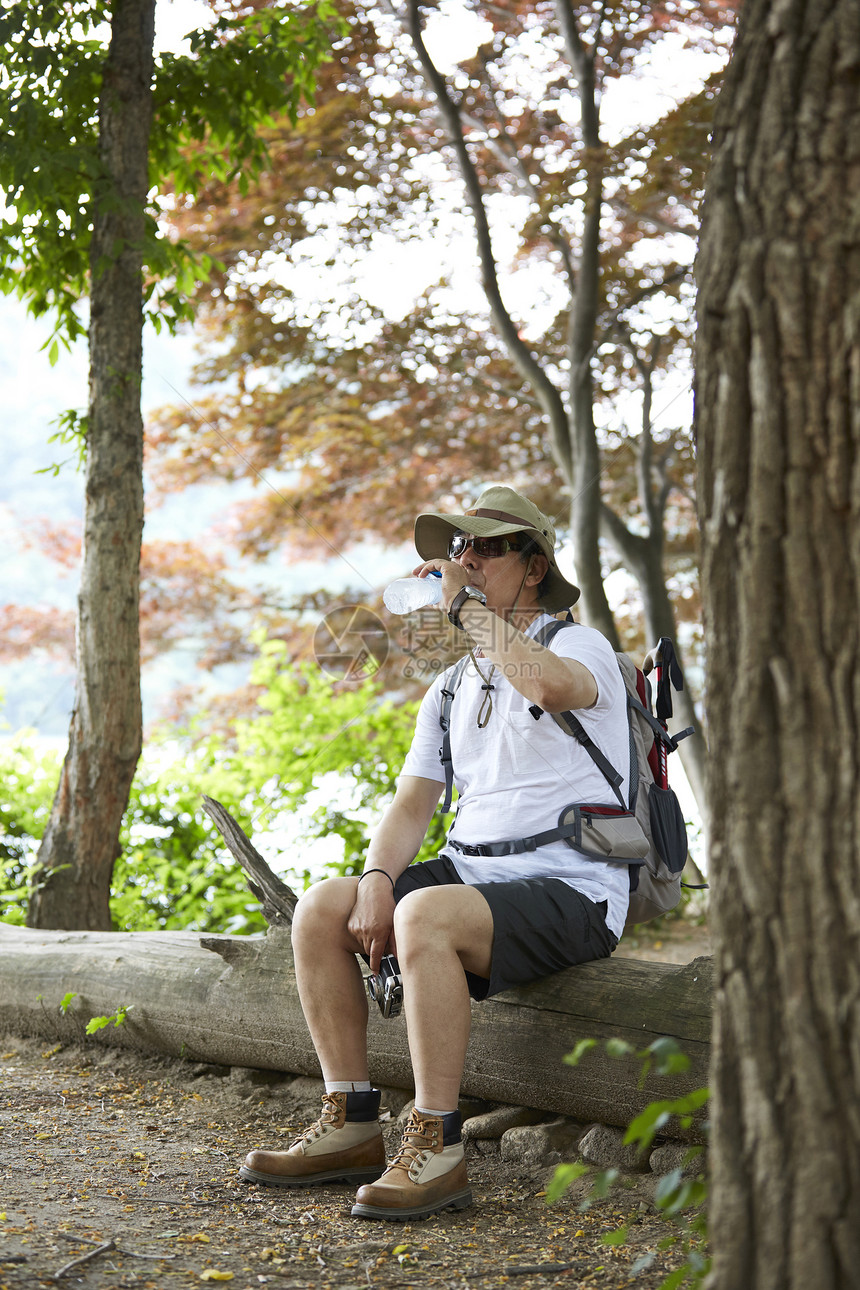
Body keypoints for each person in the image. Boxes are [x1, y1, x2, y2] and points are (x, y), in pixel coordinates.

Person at [239, 484, 632, 1220]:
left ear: (534, 566)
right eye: (458, 550)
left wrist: (464, 607)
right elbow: (410, 806)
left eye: (484, 547)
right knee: (325, 907)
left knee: (423, 916)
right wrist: (377, 879)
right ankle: (351, 1121)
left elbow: (548, 683)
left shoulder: (579, 645)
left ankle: (438, 1144)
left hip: (573, 886)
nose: (465, 560)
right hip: (471, 878)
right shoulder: (451, 687)